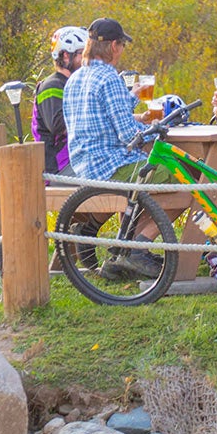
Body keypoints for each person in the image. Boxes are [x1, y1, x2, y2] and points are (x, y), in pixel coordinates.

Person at [61, 17, 168, 279]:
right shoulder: (109, 77)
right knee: (181, 177)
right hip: (111, 166)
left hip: (84, 165)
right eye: (121, 44)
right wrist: (155, 129)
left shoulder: (76, 78)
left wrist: (133, 105)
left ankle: (119, 251)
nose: (121, 50)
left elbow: (97, 116)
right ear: (112, 46)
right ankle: (136, 248)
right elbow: (128, 136)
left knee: (151, 177)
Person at [31, 26, 87, 175]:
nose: (87, 59)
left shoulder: (76, 83)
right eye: (82, 53)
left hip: (79, 159)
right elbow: (58, 125)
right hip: (59, 166)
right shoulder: (51, 86)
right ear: (65, 56)